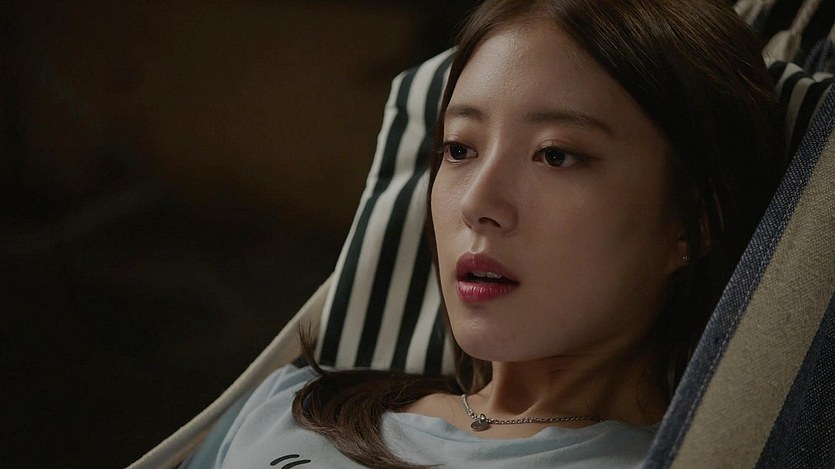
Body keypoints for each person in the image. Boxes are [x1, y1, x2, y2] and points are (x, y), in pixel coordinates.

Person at [181, 0, 786, 467]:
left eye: (556, 155)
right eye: (459, 148)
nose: (477, 204)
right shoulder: (290, 405)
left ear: (692, 224)